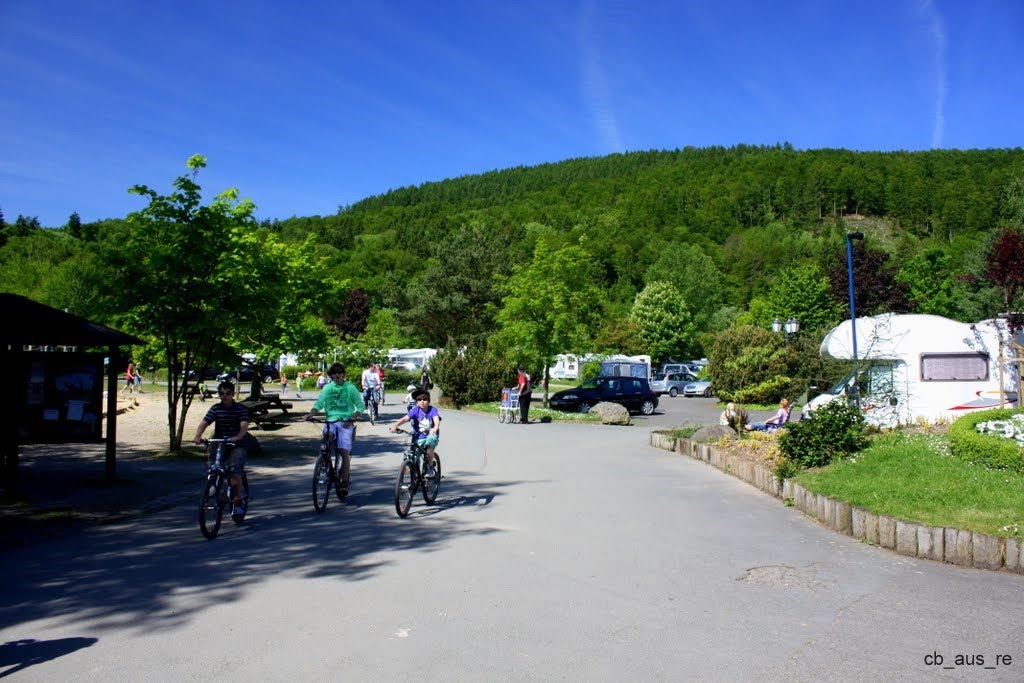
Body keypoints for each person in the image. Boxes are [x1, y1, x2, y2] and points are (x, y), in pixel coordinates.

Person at [305, 364, 364, 498]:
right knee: (326, 441)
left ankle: (344, 481)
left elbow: (360, 406)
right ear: (331, 375)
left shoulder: (350, 388)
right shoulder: (327, 387)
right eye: (334, 373)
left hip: (345, 422)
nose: (337, 375)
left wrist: (353, 417)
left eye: (339, 373)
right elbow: (319, 403)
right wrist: (311, 414)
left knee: (344, 451)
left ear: (343, 374)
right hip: (331, 420)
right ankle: (324, 462)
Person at [193, 381, 251, 516]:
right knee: (213, 464)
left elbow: (244, 425)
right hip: (220, 441)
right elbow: (204, 423)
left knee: (234, 469)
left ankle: (237, 501)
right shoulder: (215, 408)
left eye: (227, 393)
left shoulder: (240, 409)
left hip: (237, 443)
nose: (224, 396)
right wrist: (197, 435)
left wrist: (238, 436)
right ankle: (214, 484)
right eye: (221, 393)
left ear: (233, 394)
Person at [391, 388, 441, 472]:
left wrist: (435, 427)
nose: (422, 401)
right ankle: (414, 476)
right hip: (418, 436)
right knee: (413, 456)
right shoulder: (415, 411)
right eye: (419, 399)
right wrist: (395, 425)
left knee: (430, 443)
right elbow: (405, 419)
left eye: (425, 399)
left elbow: (436, 420)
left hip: (430, 434)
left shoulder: (432, 410)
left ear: (428, 401)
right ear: (416, 402)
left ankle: (429, 466)